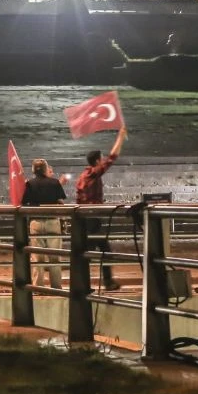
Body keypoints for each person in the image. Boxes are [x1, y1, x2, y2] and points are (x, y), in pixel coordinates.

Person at [75, 125, 127, 291]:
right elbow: (112, 157)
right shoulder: (93, 174)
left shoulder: (83, 175)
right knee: (104, 250)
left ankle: (91, 283)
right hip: (93, 218)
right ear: (97, 161)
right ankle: (107, 282)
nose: (103, 159)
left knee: (89, 251)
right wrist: (120, 137)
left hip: (85, 218)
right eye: (101, 158)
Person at [21, 159, 67, 290]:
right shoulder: (55, 183)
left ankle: (38, 287)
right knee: (55, 256)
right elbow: (60, 201)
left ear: (33, 170)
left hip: (36, 222)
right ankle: (56, 287)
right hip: (52, 221)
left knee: (37, 257)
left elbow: (25, 202)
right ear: (46, 169)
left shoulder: (29, 184)